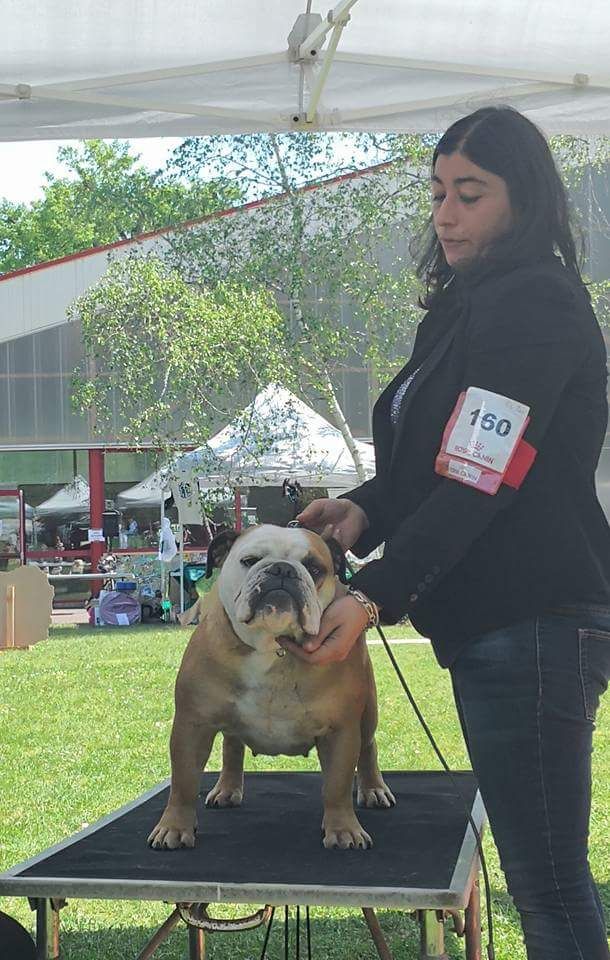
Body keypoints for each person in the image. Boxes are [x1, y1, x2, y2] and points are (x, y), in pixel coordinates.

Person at [279, 107, 610, 960]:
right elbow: (443, 458)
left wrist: (377, 588)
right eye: (437, 193)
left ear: (524, 201)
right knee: (543, 880)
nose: (445, 214)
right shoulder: (468, 306)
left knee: (548, 888)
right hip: (495, 625)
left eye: (471, 194)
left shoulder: (534, 302)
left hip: (533, 619)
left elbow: (483, 475)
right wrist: (364, 511)